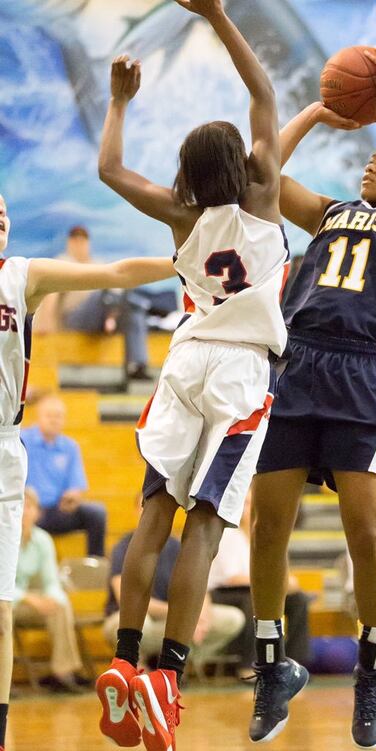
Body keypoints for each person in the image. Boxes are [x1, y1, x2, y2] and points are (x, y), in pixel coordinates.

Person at [93, 3, 288, 750]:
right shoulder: (263, 202)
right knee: (205, 524)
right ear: (240, 166)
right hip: (239, 374)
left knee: (153, 518)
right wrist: (216, 15)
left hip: (183, 362)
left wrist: (118, 100)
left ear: (188, 173)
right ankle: (167, 675)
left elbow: (109, 169)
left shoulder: (179, 216)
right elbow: (264, 94)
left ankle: (121, 656)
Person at [249, 48, 376, 748]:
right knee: (268, 528)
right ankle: (272, 665)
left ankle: (371, 671)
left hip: (361, 373)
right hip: (297, 365)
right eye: (369, 158)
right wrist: (314, 110)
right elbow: (263, 176)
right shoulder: (333, 211)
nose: (373, 161)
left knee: (366, 534)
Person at [0, 191, 174, 751]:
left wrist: (187, 261)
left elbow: (117, 272)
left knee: (1, 612)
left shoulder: (20, 276)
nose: (1, 218)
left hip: (5, 450)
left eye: (5, 211)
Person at [104, 505, 245, 674]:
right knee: (138, 627)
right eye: (144, 507)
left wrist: (200, 616)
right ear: (136, 511)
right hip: (138, 617)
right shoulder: (124, 546)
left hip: (170, 619)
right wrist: (184, 616)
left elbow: (200, 587)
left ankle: (175, 663)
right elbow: (126, 599)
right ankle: (144, 664)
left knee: (232, 619)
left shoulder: (177, 546)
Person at [34, 225, 157, 380]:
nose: (79, 245)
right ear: (69, 243)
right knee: (102, 294)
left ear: (88, 243)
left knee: (135, 307)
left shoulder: (99, 264)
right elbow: (50, 296)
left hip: (100, 317)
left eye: (82, 241)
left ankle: (137, 365)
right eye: (75, 241)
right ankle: (109, 317)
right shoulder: (63, 262)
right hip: (75, 320)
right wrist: (46, 325)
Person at [208, 492, 310, 675]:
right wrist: (275, 583)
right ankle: (249, 664)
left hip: (253, 589)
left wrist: (284, 584)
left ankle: (294, 664)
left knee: (298, 600)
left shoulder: (262, 536)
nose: (251, 509)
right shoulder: (229, 534)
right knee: (254, 600)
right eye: (246, 504)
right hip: (221, 594)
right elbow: (231, 578)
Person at [13, 487, 87, 693]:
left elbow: (51, 581)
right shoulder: (4, 538)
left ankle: (62, 674)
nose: (23, 512)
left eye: (28, 507)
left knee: (61, 606)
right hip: (8, 601)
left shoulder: (43, 540)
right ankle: (4, 679)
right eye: (19, 506)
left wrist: (52, 599)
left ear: (37, 512)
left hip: (26, 604)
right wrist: (29, 598)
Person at [21, 393, 106, 557]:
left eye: (58, 416)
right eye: (49, 415)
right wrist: (29, 505)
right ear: (39, 417)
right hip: (27, 509)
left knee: (97, 513)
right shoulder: (23, 440)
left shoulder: (70, 447)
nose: (54, 420)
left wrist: (73, 497)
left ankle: (94, 566)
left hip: (57, 509)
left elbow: (76, 487)